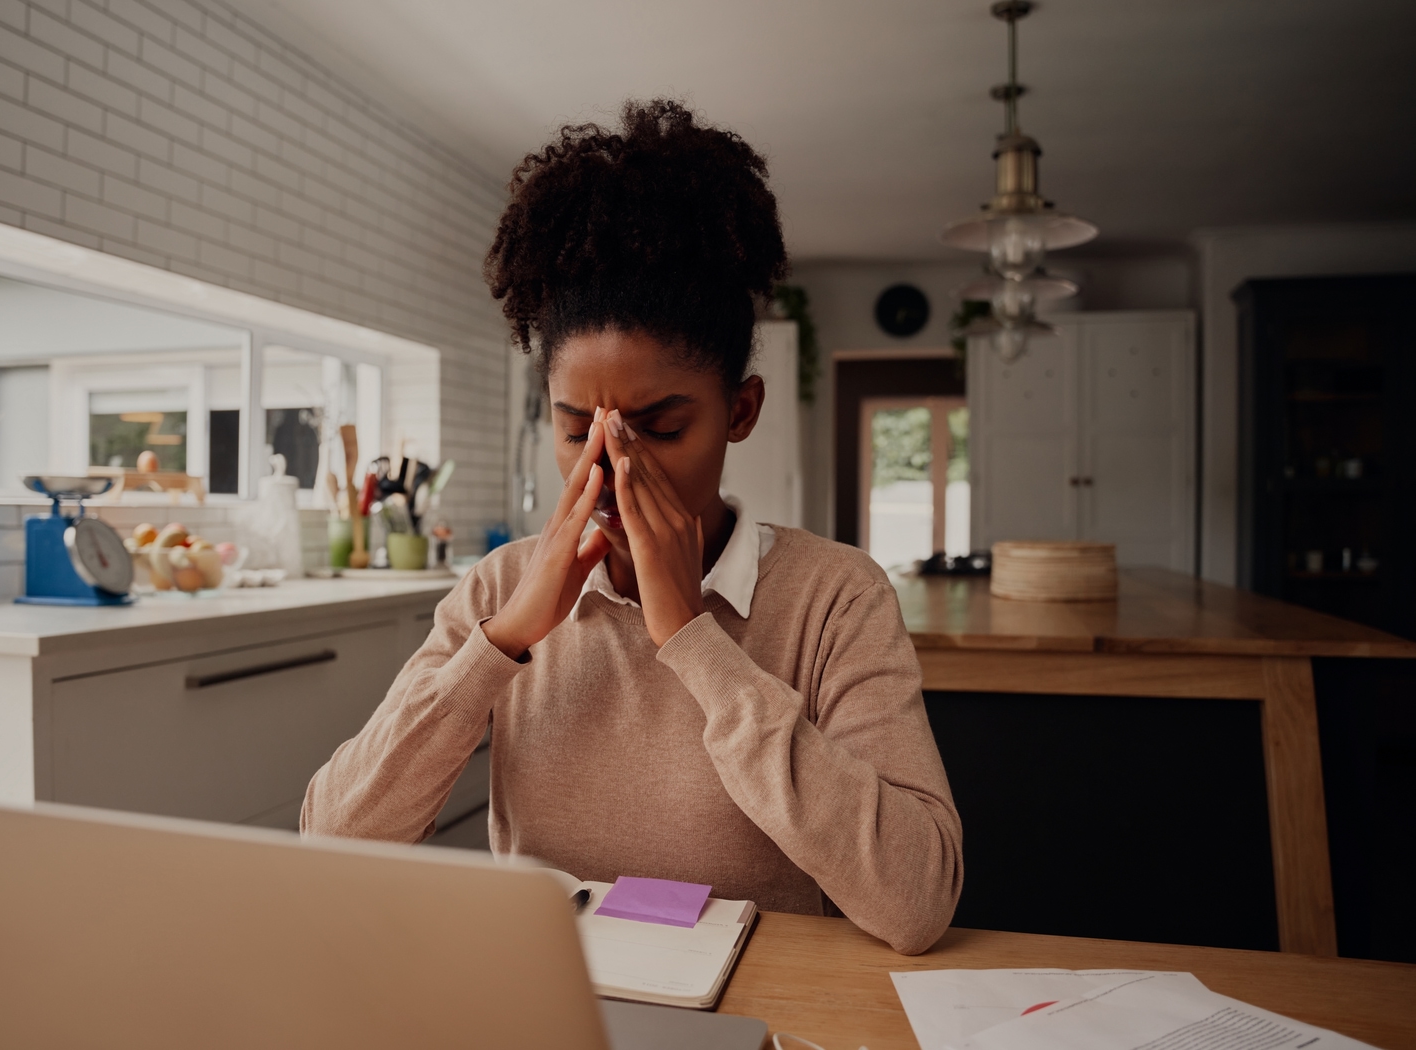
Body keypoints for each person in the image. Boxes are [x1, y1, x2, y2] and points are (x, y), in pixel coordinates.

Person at [303, 100, 962, 954]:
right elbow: (333, 845)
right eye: (580, 431)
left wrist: (694, 638)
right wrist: (499, 644)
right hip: (552, 1008)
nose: (613, 469)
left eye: (659, 427)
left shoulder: (835, 598)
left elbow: (917, 902)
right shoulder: (500, 592)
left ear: (741, 411)